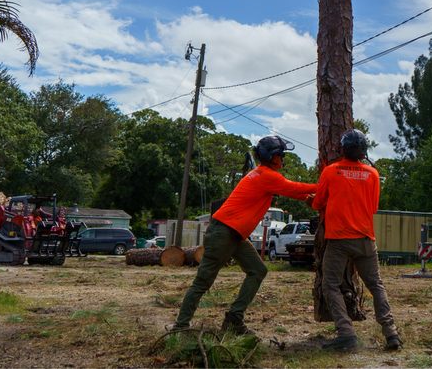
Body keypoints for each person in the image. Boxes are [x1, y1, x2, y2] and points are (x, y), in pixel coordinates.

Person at [172, 135, 316, 335]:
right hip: (223, 233)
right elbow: (294, 188)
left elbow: (296, 192)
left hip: (234, 234)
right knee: (203, 281)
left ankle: (234, 318)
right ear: (274, 157)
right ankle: (180, 326)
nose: (283, 159)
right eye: (282, 155)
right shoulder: (267, 175)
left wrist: (316, 194)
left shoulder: (261, 174)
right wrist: (327, 185)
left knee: (258, 270)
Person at [313, 129, 401, 352]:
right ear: (363, 152)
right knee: (376, 285)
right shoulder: (372, 174)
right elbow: (373, 207)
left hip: (339, 240)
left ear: (342, 149)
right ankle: (391, 333)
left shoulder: (331, 172)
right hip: (365, 239)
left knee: (330, 285)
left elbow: (318, 203)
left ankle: (346, 333)